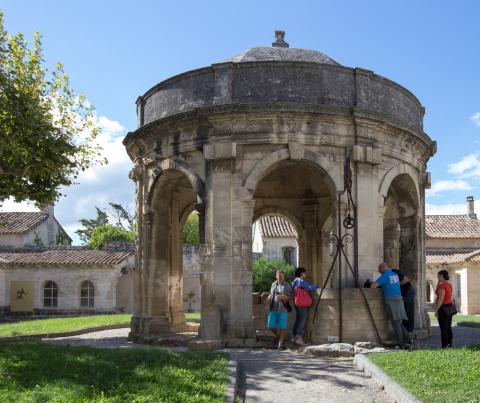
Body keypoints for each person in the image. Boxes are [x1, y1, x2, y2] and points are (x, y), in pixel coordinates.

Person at [370, 262, 411, 348]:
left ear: (383, 268)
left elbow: (373, 286)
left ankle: (401, 344)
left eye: (379, 269)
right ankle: (408, 340)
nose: (378, 271)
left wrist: (371, 283)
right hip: (399, 299)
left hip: (392, 300)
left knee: (395, 323)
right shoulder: (394, 274)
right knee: (399, 322)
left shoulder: (385, 275)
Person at [267, 270, 293, 351]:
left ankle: (280, 345)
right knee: (270, 326)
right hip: (273, 308)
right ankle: (278, 336)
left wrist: (282, 296)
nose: (280, 277)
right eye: (279, 275)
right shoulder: (273, 284)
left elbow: (290, 297)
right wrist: (269, 297)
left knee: (282, 327)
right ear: (276, 276)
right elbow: (271, 294)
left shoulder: (287, 285)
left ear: (284, 276)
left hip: (283, 309)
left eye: (282, 275)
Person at [291, 267, 319, 345]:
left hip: (296, 302)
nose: (305, 274)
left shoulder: (294, 281)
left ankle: (294, 337)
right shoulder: (300, 280)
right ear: (301, 273)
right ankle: (299, 338)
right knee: (302, 320)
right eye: (304, 272)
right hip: (302, 303)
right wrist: (316, 286)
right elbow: (309, 288)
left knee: (298, 320)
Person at [391, 268, 416, 333]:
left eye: (380, 269)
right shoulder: (389, 274)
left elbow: (405, 280)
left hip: (408, 291)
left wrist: (395, 285)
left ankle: (409, 329)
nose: (379, 271)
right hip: (405, 293)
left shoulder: (395, 271)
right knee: (405, 310)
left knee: (409, 311)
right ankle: (406, 328)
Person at [435, 270, 454, 348]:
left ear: (442, 276)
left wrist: (436, 310)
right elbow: (436, 292)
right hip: (449, 307)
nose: (437, 277)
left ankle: (444, 346)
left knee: (444, 329)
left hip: (443, 308)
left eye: (438, 275)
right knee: (448, 327)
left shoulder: (443, 286)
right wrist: (438, 282)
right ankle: (449, 345)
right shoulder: (449, 285)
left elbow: (440, 299)